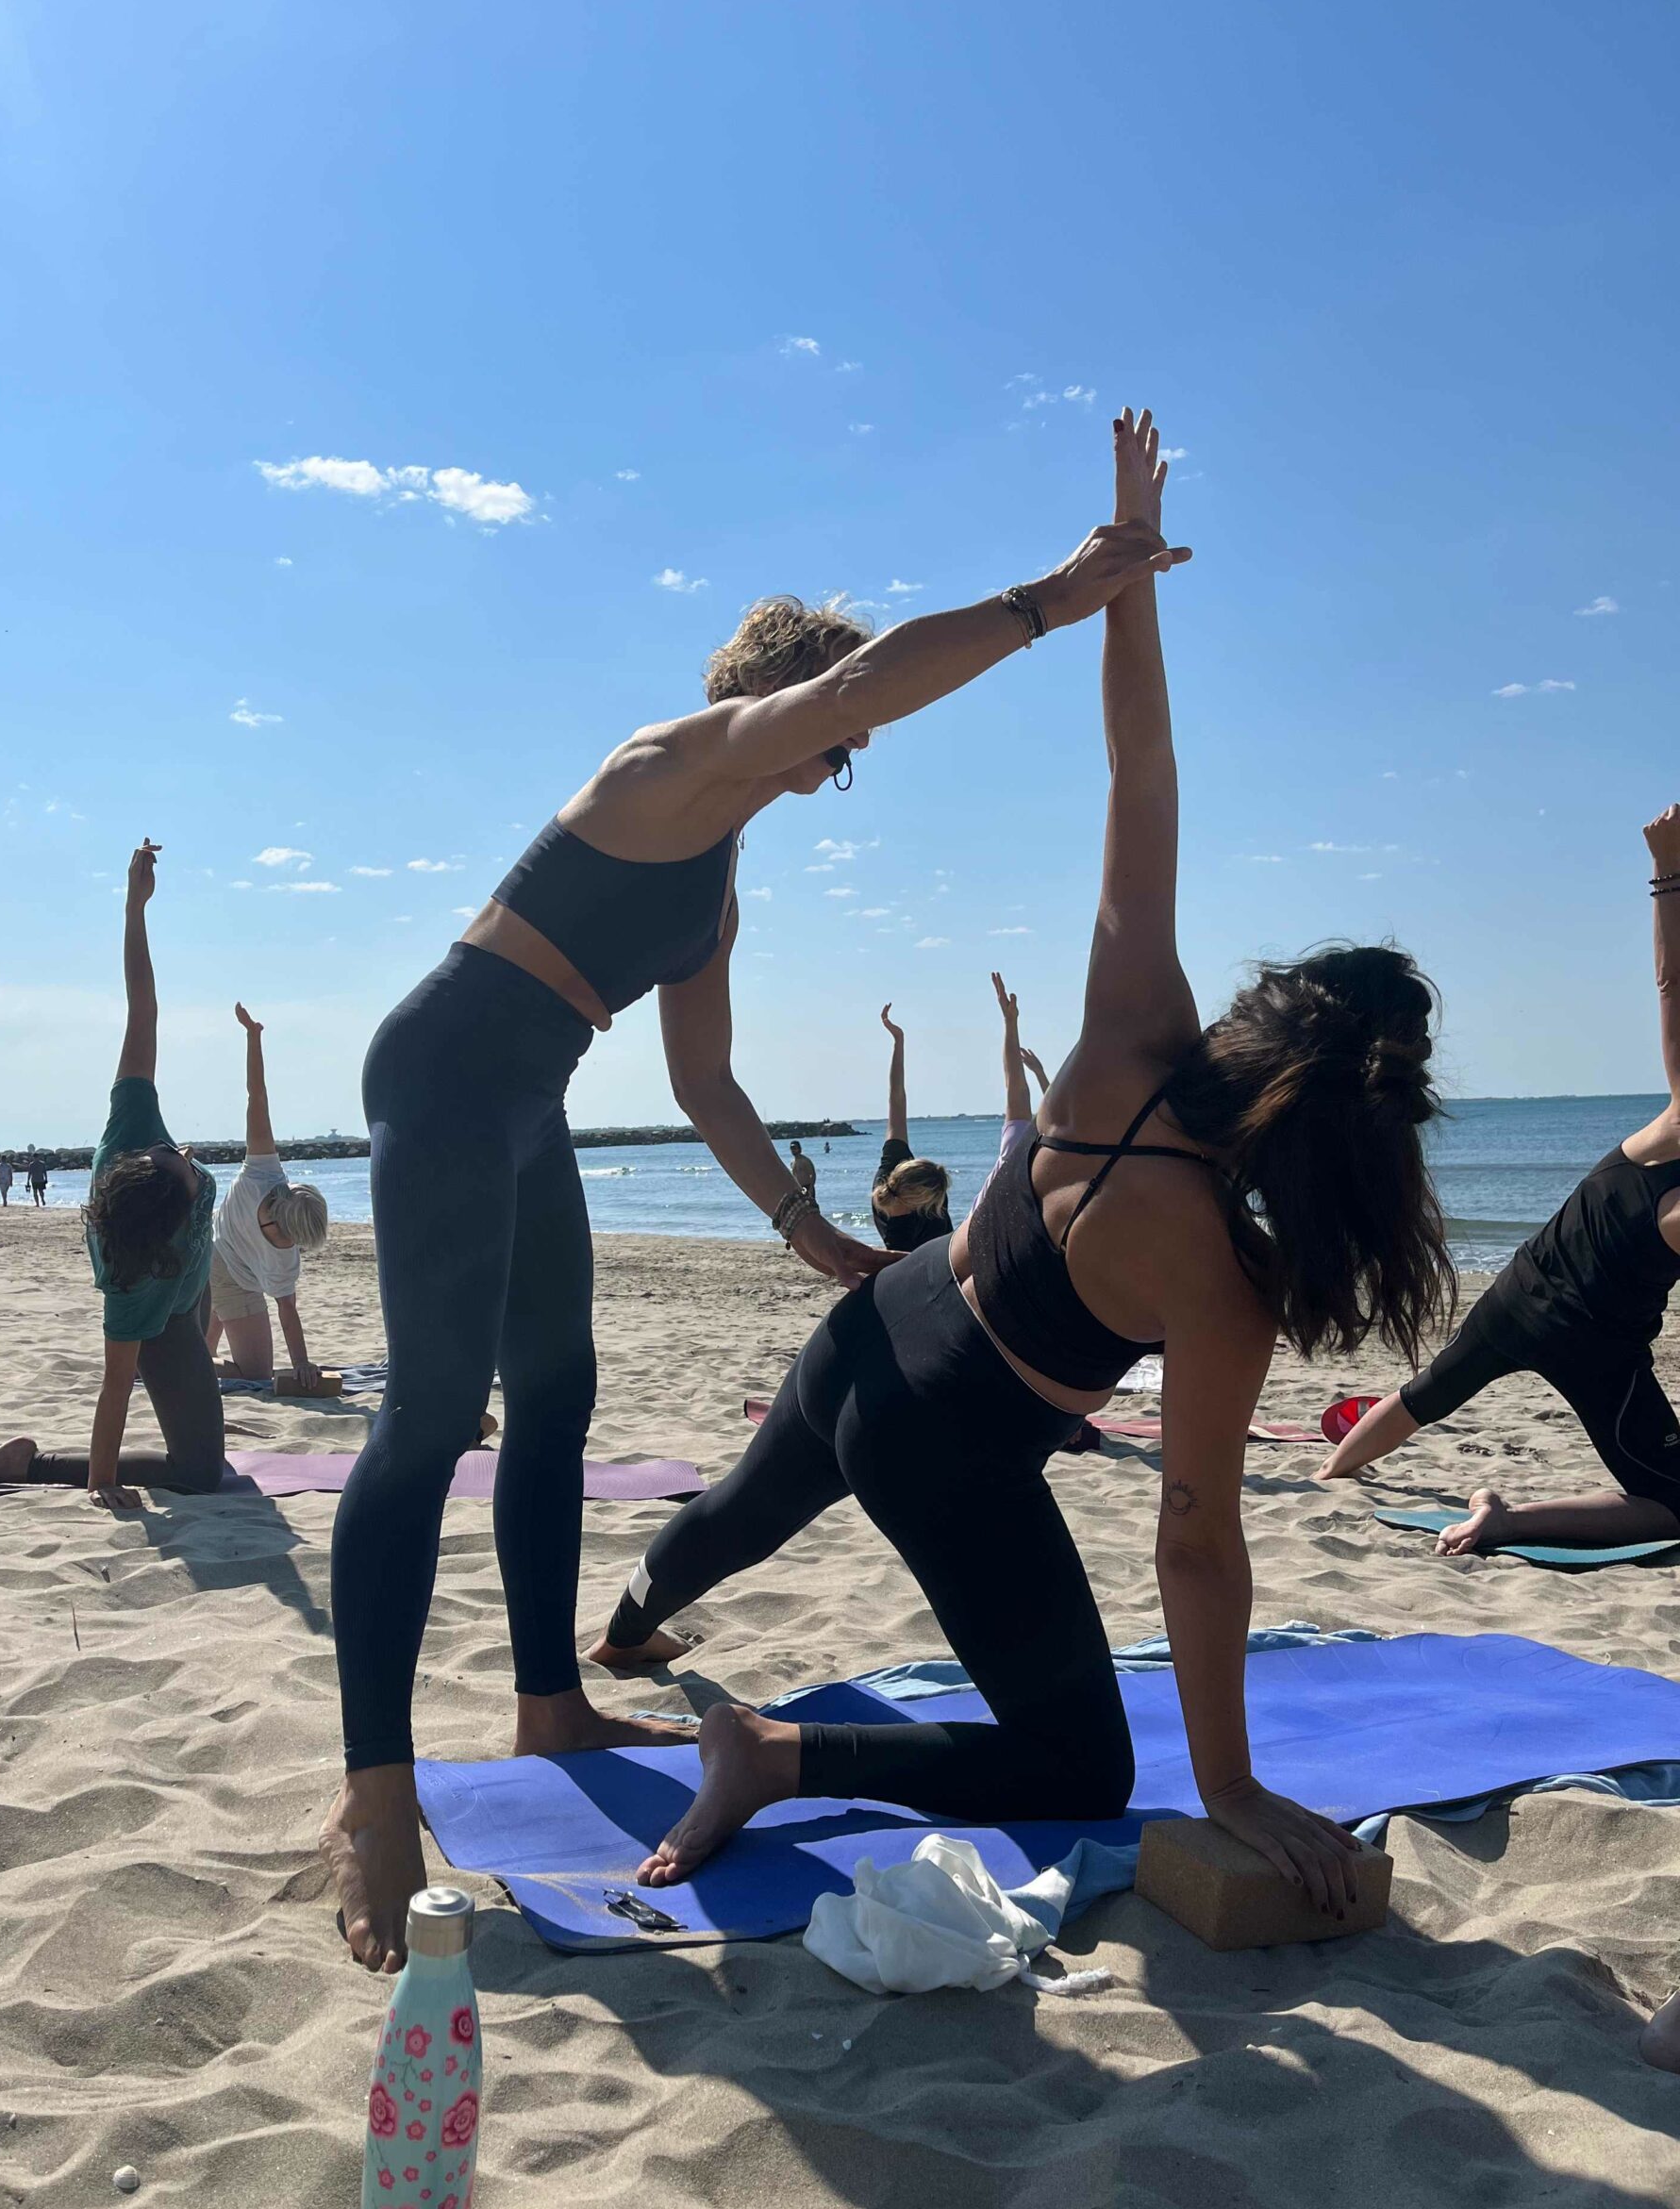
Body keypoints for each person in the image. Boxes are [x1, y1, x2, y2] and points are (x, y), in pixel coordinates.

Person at [593, 410, 1453, 1914]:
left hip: (873, 1323)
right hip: (944, 1446)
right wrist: (1233, 1784)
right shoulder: (1225, 1289)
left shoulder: (1132, 1033)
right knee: (1081, 1767)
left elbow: (1144, 768)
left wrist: (1131, 569)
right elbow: (1197, 1547)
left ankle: (630, 1624)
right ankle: (773, 1756)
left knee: (733, 1517)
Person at [323, 501, 1189, 1973]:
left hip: (533, 1100)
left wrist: (800, 1227)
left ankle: (549, 1705)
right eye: (834, 748)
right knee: (425, 1419)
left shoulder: (718, 881)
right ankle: (373, 1797)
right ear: (770, 701)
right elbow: (854, 689)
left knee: (562, 1396)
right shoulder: (672, 763)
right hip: (451, 1072)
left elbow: (704, 1081)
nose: (835, 768)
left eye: (843, 761)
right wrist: (1052, 597)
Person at [1317, 802, 1680, 1554]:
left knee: (1425, 1396)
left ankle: (1329, 1472)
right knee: (1672, 1502)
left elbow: (1672, 987)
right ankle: (1504, 1521)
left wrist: (1666, 872)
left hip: (1517, 1293)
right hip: (1597, 1350)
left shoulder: (1674, 1126)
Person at [0, 842, 247, 1507]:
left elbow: (143, 1007)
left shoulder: (132, 1128)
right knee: (199, 1473)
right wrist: (102, 1485)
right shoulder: (132, 1287)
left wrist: (134, 908)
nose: (186, 1157)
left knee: (203, 1435)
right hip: (169, 1312)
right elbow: (114, 1386)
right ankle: (28, 1458)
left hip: (192, 1291)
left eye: (177, 1159)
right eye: (188, 1172)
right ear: (167, 1237)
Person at [205, 1004, 330, 1391]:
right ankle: (176, 1369)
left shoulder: (265, 1175)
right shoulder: (280, 1251)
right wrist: (303, 1365)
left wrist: (252, 1038)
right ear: (286, 1228)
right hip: (225, 1266)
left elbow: (256, 1097)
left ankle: (176, 1363)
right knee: (256, 1371)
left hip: (215, 1251)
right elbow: (256, 1097)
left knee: (200, 1348)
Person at [870, 1005, 954, 1251]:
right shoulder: (901, 1236)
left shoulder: (893, 1162)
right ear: (922, 1204)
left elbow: (896, 1097)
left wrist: (899, 1041)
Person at [975, 969, 1052, 1209]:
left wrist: (1010, 1021)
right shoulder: (1028, 1153)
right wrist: (1010, 1022)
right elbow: (1016, 1086)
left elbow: (1015, 1086)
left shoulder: (1017, 1150)